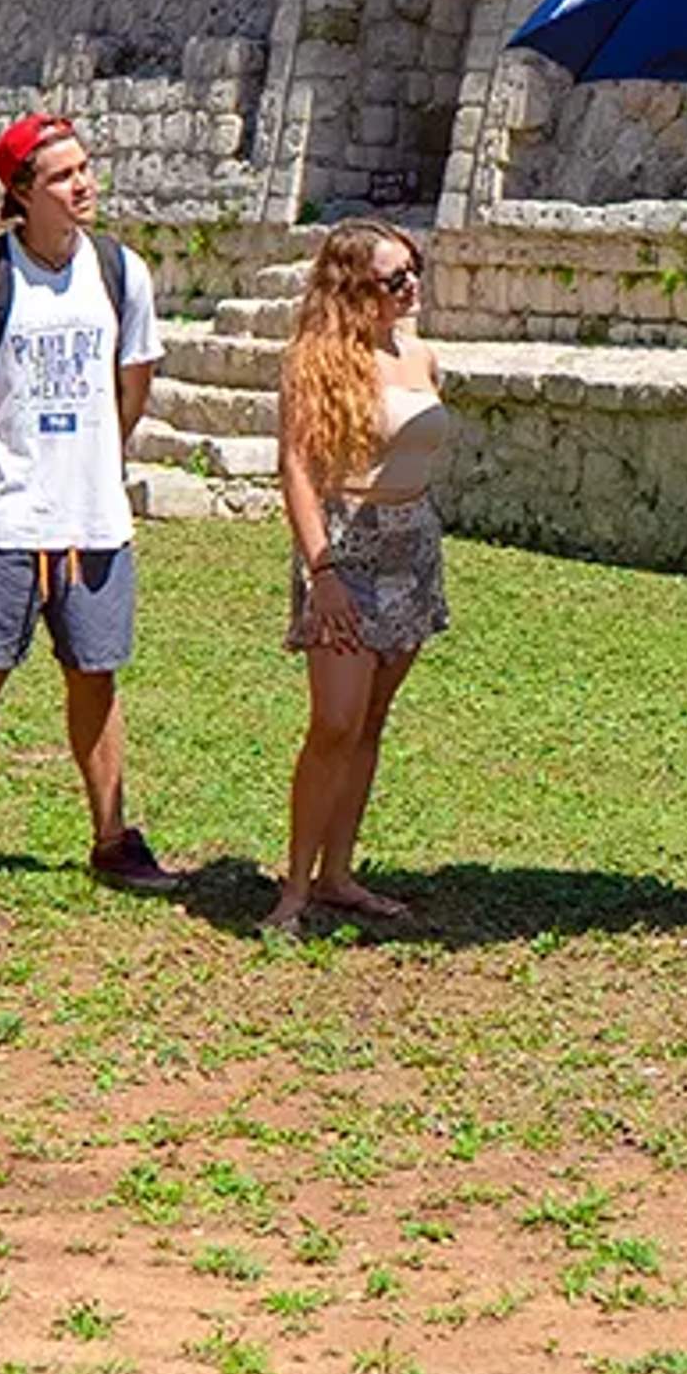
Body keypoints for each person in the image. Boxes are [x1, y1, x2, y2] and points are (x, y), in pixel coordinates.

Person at [0, 111, 185, 901]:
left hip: (93, 516)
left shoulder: (120, 270)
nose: (84, 183)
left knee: (95, 676)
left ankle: (112, 834)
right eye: (64, 175)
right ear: (22, 192)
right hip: (1, 516)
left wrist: (92, 463)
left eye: (85, 167)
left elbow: (132, 383)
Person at [265, 220, 453, 937]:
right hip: (347, 546)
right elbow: (298, 471)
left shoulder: (422, 355)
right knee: (333, 723)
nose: (410, 288)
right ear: (352, 288)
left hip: (412, 546)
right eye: (393, 279)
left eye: (413, 272)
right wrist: (323, 571)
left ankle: (338, 873)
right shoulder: (315, 361)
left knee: (370, 721)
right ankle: (294, 887)